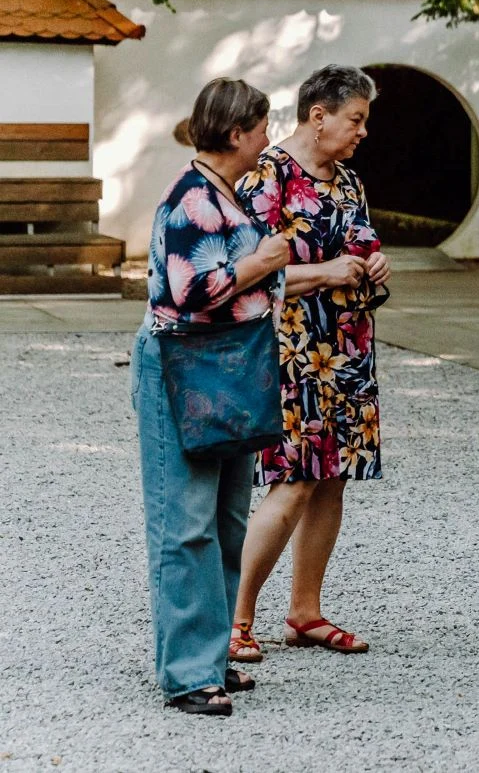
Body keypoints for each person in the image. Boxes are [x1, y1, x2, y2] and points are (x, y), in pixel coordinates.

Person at [131, 78, 292, 715]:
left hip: (228, 364)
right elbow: (189, 290)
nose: (267, 137)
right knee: (186, 523)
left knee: (225, 519)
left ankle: (213, 653)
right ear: (233, 134)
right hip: (186, 365)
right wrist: (263, 262)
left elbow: (251, 282)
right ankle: (188, 675)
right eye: (261, 127)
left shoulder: (226, 191)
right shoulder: (190, 197)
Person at [229, 65, 390, 663]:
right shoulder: (265, 177)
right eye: (357, 119)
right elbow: (244, 276)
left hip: (346, 348)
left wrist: (376, 266)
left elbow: (364, 247)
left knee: (331, 478)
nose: (363, 132)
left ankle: (304, 612)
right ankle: (235, 618)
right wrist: (325, 272)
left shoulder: (348, 181)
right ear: (318, 115)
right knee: (292, 482)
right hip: (287, 351)